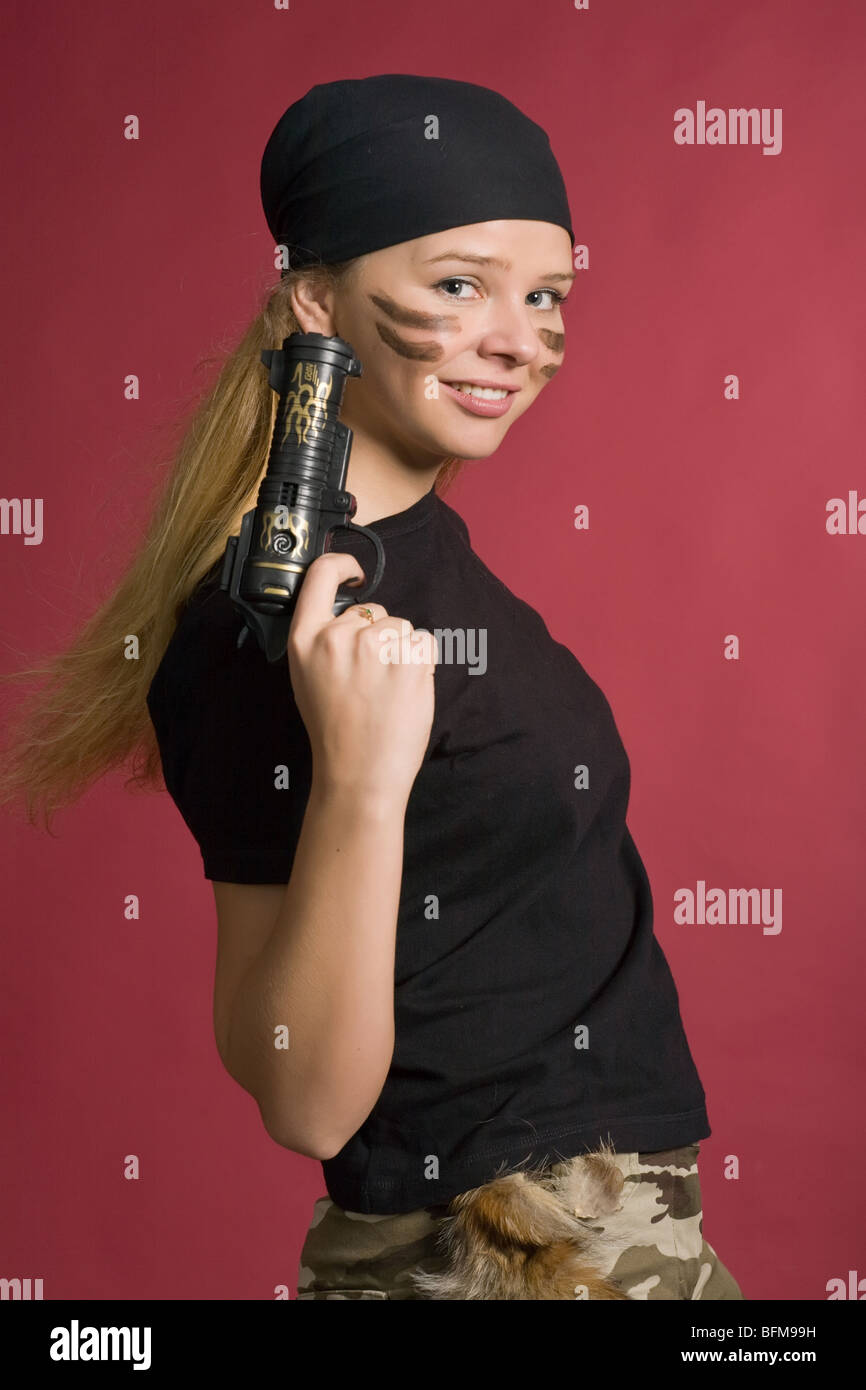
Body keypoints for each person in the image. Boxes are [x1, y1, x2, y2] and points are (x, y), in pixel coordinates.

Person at [0, 74, 743, 1300]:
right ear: (314, 299)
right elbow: (300, 1092)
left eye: (544, 293)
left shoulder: (423, 552)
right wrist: (355, 782)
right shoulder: (270, 622)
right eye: (458, 285)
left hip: (619, 1236)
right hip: (494, 1259)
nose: (517, 336)